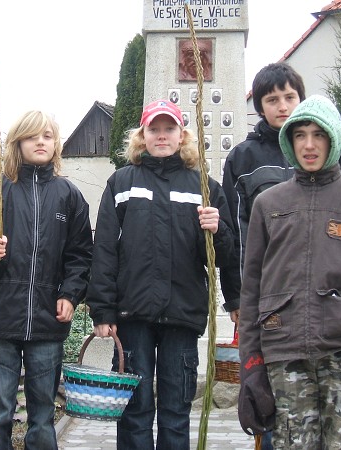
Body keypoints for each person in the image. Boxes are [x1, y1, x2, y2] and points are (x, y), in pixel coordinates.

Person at [238, 94, 341, 449]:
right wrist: (252, 360)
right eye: (300, 135)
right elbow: (252, 287)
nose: (309, 145)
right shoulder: (267, 204)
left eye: (318, 134)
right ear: (289, 141)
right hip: (284, 353)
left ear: (333, 137)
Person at [86, 99, 238, 449]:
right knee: (134, 411)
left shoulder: (205, 187)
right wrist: (102, 310)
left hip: (182, 315)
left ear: (182, 135)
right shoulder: (121, 183)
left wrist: (217, 230)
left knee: (175, 411)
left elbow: (224, 257)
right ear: (142, 136)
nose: (162, 135)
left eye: (169, 128)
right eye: (153, 129)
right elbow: (104, 250)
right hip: (132, 315)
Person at [220, 62, 341, 449]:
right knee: (270, 396)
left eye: (289, 97)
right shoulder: (243, 158)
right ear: (260, 107)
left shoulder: (326, 149)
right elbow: (236, 233)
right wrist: (237, 297)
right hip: (270, 298)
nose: (282, 106)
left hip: (325, 298)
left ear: (300, 98)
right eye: (272, 99)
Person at [0, 110, 93, 450]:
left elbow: (80, 255)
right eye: (32, 136)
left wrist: (70, 294)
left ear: (56, 144)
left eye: (47, 136)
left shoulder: (68, 195)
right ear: (17, 143)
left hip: (47, 321)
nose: (40, 142)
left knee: (43, 417)